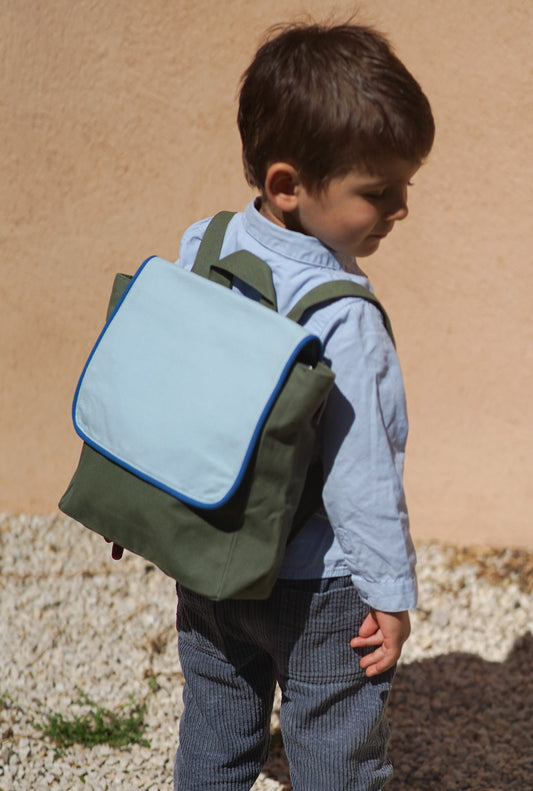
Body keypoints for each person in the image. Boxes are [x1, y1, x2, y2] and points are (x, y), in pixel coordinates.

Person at [111, 20, 434, 791]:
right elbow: (361, 473)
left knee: (216, 731)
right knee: (332, 745)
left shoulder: (205, 244)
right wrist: (389, 596)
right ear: (288, 185)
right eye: (378, 191)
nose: (400, 207)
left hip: (208, 551)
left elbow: (168, 380)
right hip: (316, 587)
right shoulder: (345, 317)